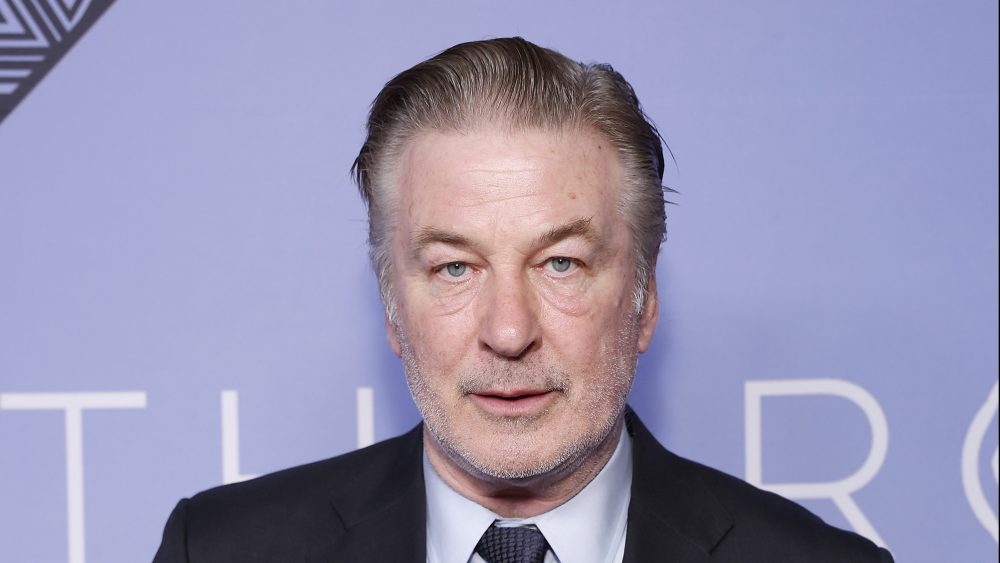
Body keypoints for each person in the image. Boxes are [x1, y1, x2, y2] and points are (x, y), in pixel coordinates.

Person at [153, 37, 894, 562]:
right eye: (454, 268)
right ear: (391, 308)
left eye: (561, 262)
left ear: (643, 299)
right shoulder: (220, 549)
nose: (508, 331)